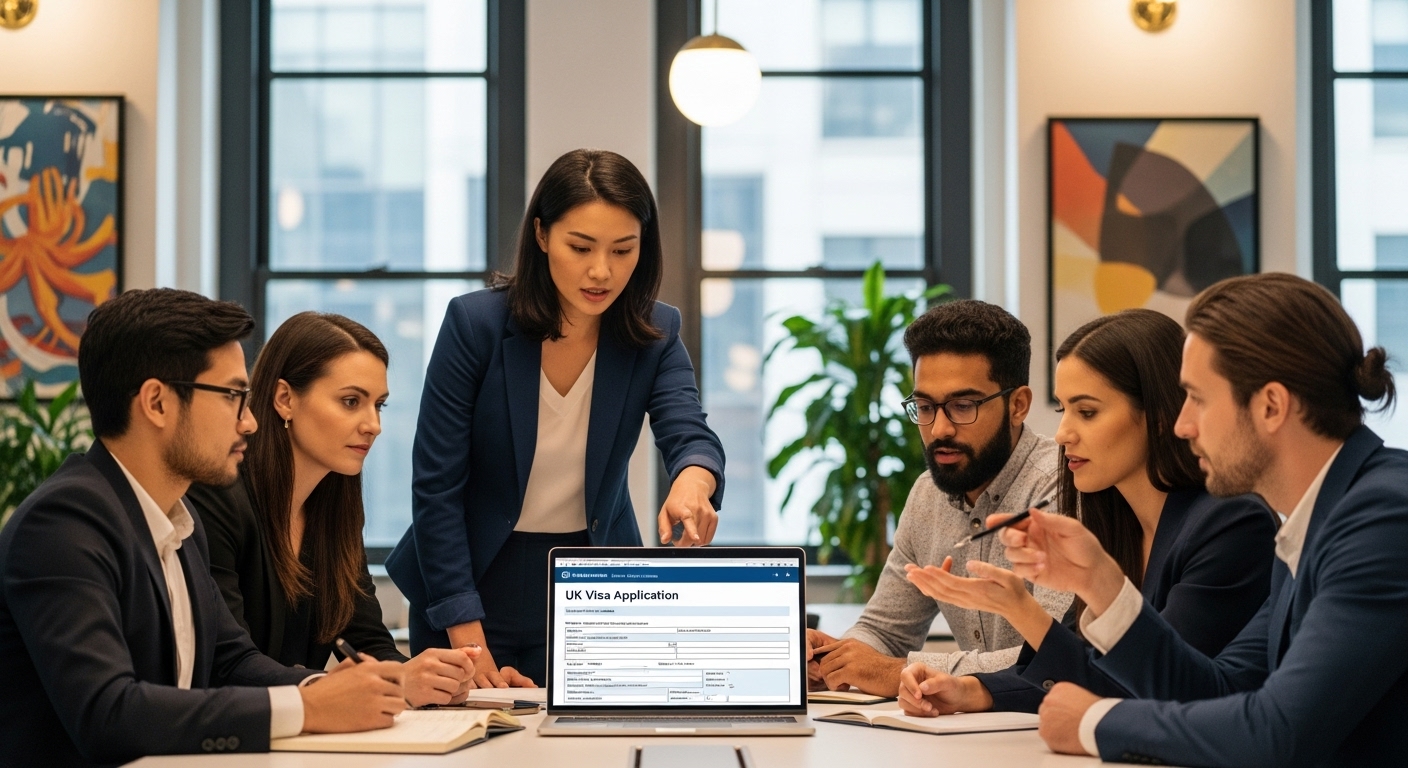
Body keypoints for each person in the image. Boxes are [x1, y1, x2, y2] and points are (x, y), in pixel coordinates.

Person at [1006, 274, 1408, 765]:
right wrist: (1102, 584)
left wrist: (1096, 723)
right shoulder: (1317, 521)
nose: (1181, 425)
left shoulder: (1384, 518)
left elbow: (1278, 733)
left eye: (1197, 398)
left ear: (1271, 406)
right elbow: (1218, 690)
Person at [0, 289, 406, 766]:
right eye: (233, 396)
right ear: (157, 403)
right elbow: (107, 713)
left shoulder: (177, 521)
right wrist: (308, 707)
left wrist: (332, 689)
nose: (250, 422)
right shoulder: (63, 523)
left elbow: (232, 662)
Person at [386, 149, 726, 688]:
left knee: (592, 735)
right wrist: (468, 637)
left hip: (594, 586)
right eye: (581, 247)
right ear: (542, 234)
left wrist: (693, 481)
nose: (602, 271)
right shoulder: (475, 325)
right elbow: (436, 486)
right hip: (467, 580)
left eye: (623, 249)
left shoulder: (654, 332)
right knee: (471, 732)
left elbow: (689, 432)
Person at [894, 309, 1276, 716]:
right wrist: (972, 690)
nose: (1062, 434)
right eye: (1063, 411)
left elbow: (1155, 687)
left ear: (1160, 416)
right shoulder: (1113, 519)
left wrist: (1021, 609)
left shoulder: (1231, 525)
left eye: (1087, 412)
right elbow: (1084, 666)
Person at [186, 312, 479, 708]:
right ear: (285, 399)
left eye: (379, 405)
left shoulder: (334, 506)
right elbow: (228, 664)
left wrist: (431, 680)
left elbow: (368, 641)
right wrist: (379, 684)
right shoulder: (217, 497)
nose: (373, 425)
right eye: (351, 402)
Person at [807, 300, 1071, 697]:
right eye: (926, 407)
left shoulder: (1062, 488)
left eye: (963, 406)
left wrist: (899, 671)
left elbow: (1060, 658)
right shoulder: (927, 494)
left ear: (1017, 405)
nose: (939, 429)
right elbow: (885, 630)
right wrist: (834, 658)